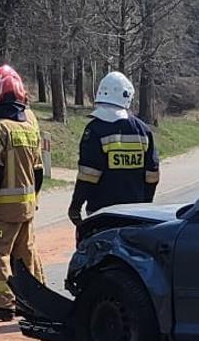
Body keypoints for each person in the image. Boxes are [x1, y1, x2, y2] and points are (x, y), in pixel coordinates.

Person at [0, 64, 44, 323]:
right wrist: (33, 199)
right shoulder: (29, 127)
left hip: (2, 210)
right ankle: (33, 303)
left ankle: (3, 305)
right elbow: (38, 171)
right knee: (25, 255)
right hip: (26, 207)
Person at [68, 71, 159, 239]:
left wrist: (75, 206)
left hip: (102, 213)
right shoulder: (143, 131)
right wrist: (145, 204)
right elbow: (152, 175)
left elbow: (88, 175)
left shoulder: (95, 130)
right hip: (134, 214)